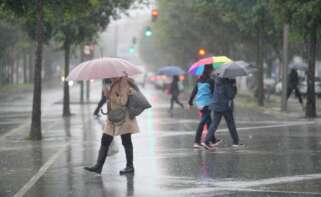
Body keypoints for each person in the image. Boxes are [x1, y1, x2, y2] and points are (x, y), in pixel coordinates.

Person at [84, 75, 139, 175]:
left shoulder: (123, 83)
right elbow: (112, 100)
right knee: (105, 140)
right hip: (113, 117)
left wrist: (111, 96)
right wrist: (107, 94)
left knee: (126, 141)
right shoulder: (113, 83)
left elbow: (123, 101)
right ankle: (98, 166)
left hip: (123, 117)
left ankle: (130, 166)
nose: (109, 76)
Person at [202, 77, 242, 149]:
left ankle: (206, 141)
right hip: (225, 106)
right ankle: (236, 142)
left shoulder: (218, 80)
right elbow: (231, 95)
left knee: (214, 124)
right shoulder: (228, 82)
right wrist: (234, 86)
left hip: (216, 104)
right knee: (231, 124)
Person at [188, 64, 222, 148]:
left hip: (199, 103)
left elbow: (194, 91)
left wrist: (190, 102)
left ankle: (213, 140)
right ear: (210, 71)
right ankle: (196, 141)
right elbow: (214, 92)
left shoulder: (199, 80)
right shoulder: (211, 81)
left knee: (208, 121)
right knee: (203, 122)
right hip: (207, 104)